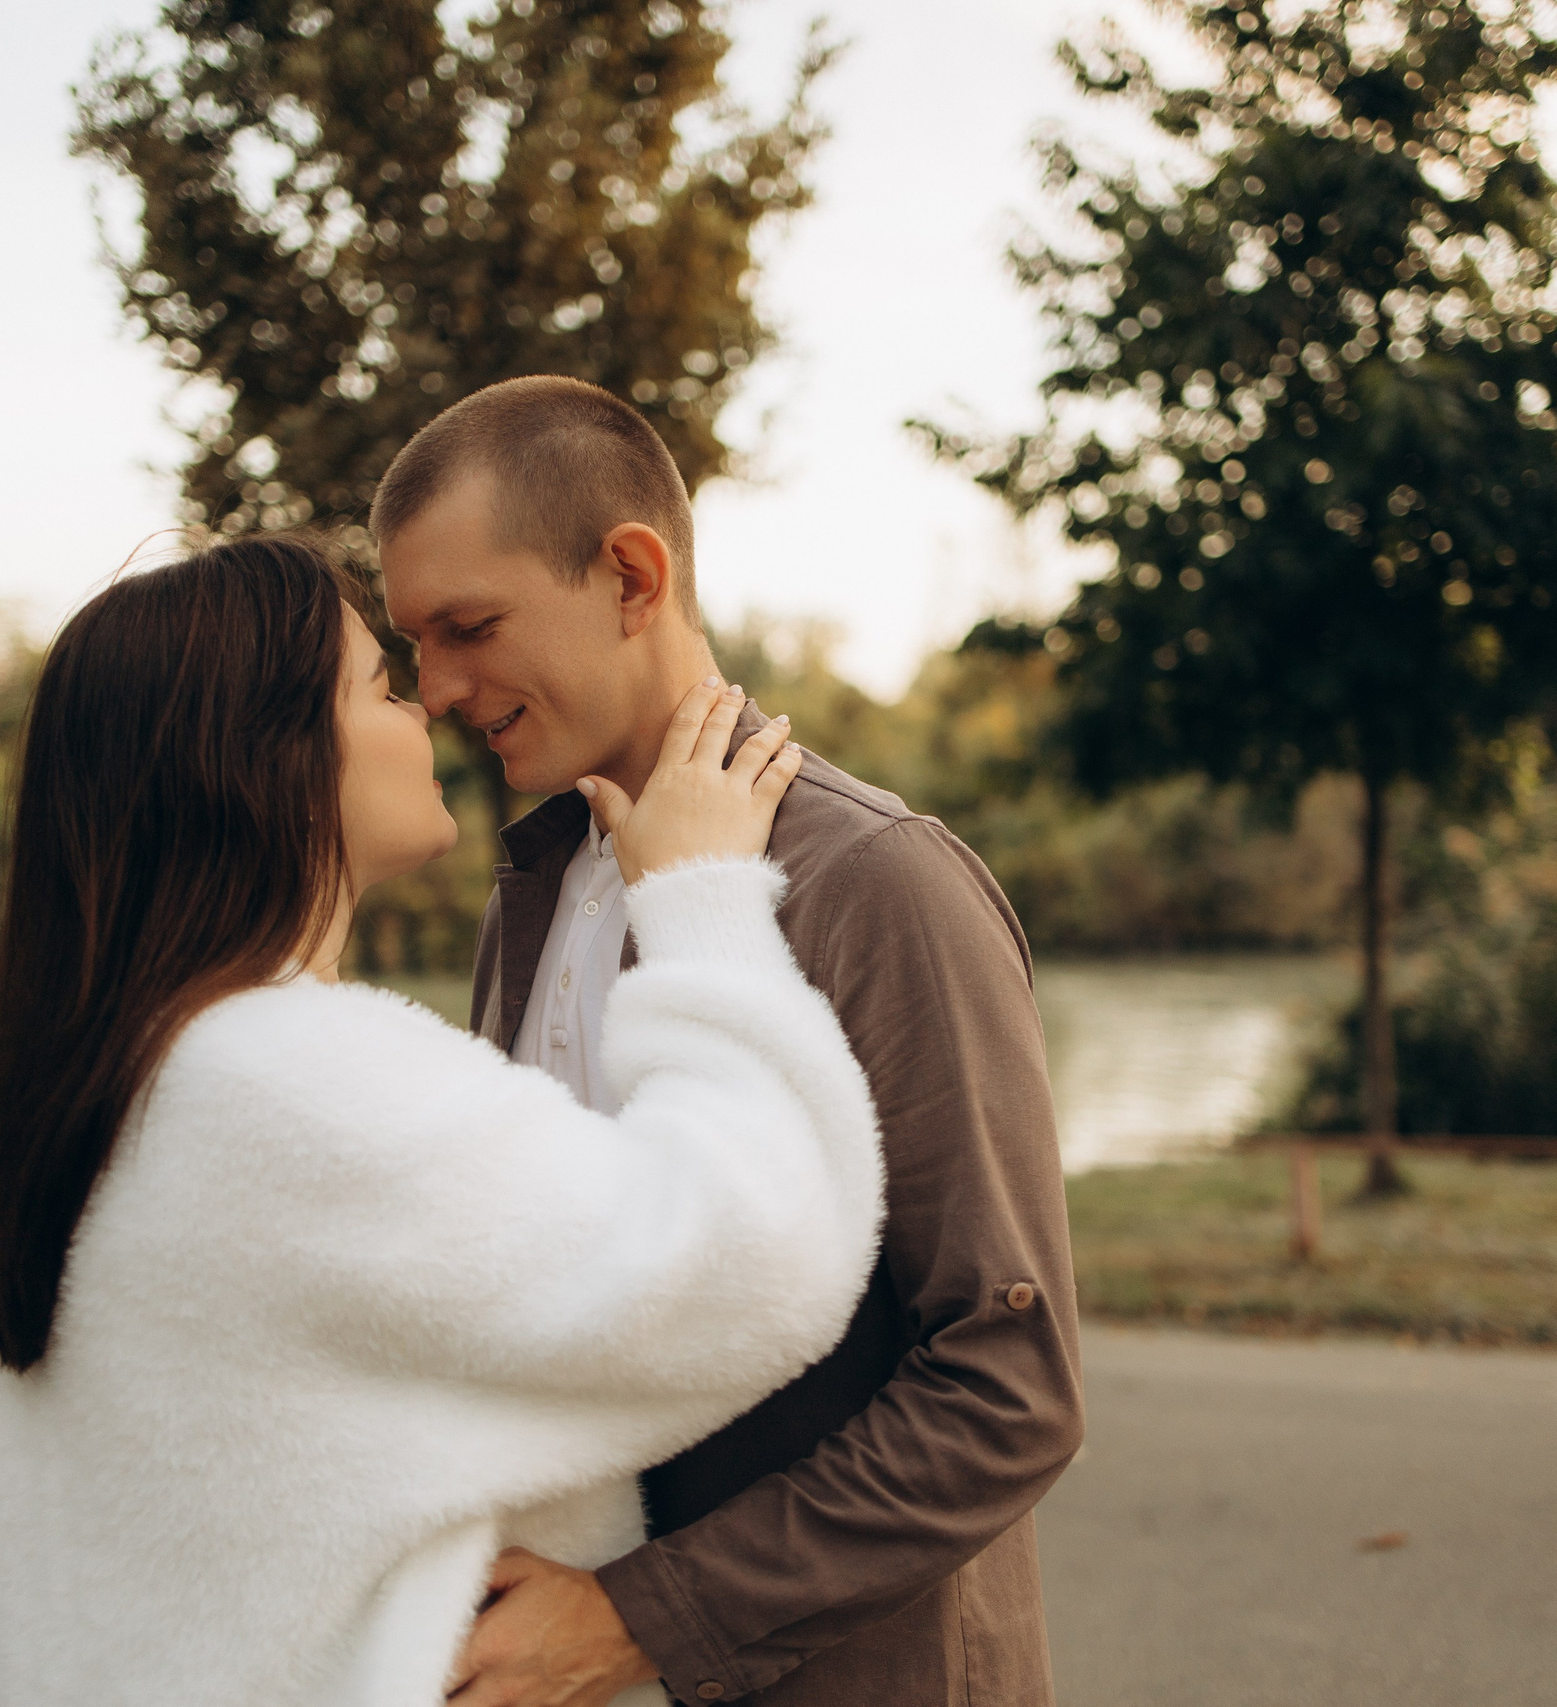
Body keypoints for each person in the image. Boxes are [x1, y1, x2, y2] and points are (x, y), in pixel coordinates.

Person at [0, 535, 887, 1707]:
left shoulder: (115, 1078)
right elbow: (752, 1259)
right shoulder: (284, 1082)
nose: (431, 704)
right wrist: (701, 907)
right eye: (383, 687)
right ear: (266, 758)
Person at [375, 376, 1084, 1707]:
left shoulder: (880, 882)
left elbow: (1009, 1386)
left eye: (467, 626)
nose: (437, 689)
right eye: (414, 642)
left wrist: (638, 1616)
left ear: (632, 574)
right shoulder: (527, 889)